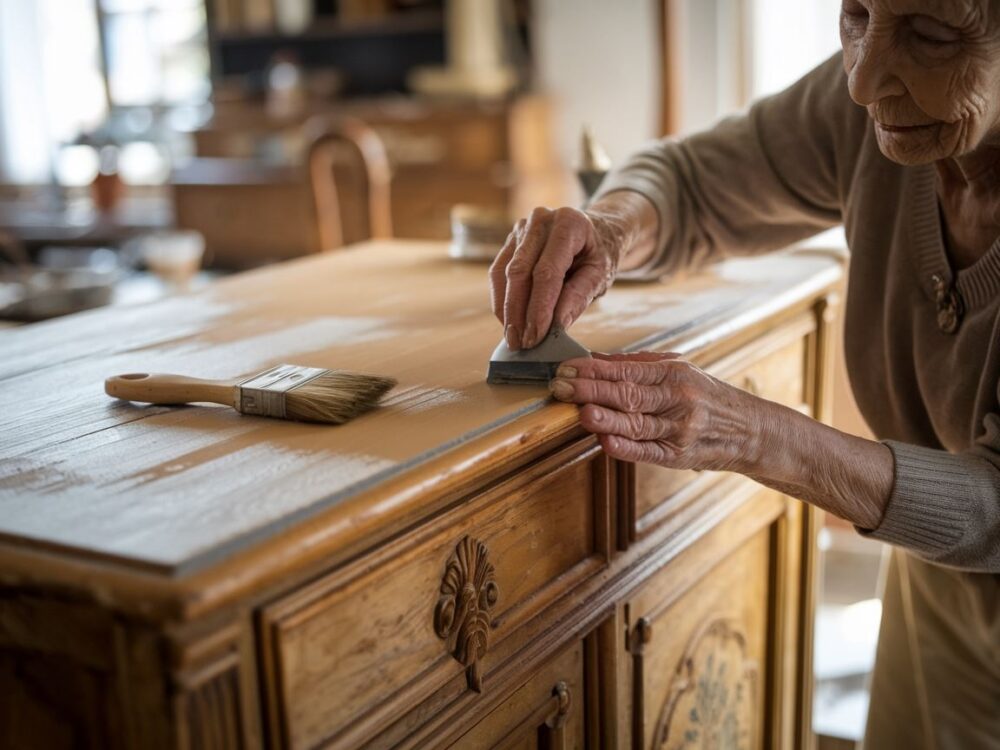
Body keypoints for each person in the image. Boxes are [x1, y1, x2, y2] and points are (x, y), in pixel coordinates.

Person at [489, 1, 1000, 747]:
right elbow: (691, 180)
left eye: (929, 35)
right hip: (941, 591)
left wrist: (756, 434)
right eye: (855, 13)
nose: (862, 81)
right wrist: (612, 226)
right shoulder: (872, 99)